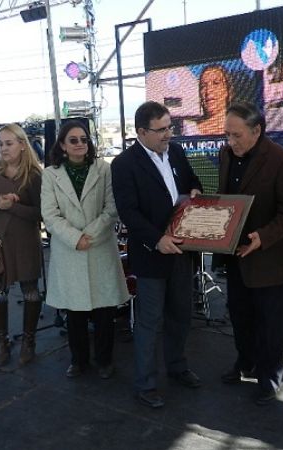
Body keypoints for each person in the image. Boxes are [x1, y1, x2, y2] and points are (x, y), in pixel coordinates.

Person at [111, 101, 203, 408]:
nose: (168, 134)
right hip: (152, 255)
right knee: (150, 322)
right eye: (161, 129)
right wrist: (157, 239)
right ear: (141, 132)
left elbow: (191, 182)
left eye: (170, 127)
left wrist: (196, 193)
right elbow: (129, 212)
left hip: (181, 251)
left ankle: (177, 367)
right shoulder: (124, 164)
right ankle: (145, 383)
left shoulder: (175, 153)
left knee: (181, 315)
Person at [218, 101, 283, 405]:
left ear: (257, 131)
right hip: (234, 254)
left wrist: (262, 237)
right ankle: (245, 362)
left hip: (267, 257)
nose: (231, 142)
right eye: (227, 135)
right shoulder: (225, 155)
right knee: (240, 316)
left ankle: (270, 377)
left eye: (236, 135)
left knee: (270, 322)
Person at [42, 121, 129, 379]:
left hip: (99, 246)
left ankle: (104, 360)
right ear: (62, 145)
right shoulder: (50, 174)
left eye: (84, 139)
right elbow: (49, 214)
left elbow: (112, 208)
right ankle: (78, 360)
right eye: (73, 140)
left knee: (105, 310)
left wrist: (87, 236)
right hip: (69, 251)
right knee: (75, 311)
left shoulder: (103, 169)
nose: (80, 144)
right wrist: (74, 238)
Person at [0, 123, 43, 366]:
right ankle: (2, 343)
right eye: (0, 143)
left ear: (22, 145)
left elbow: (41, 213)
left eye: (9, 143)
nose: (3, 148)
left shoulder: (34, 175)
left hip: (25, 243)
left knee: (30, 292)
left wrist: (14, 206)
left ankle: (28, 341)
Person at [184, 65, 232, 136]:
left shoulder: (240, 126)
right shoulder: (189, 129)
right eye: (203, 86)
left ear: (227, 90)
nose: (208, 90)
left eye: (216, 83)